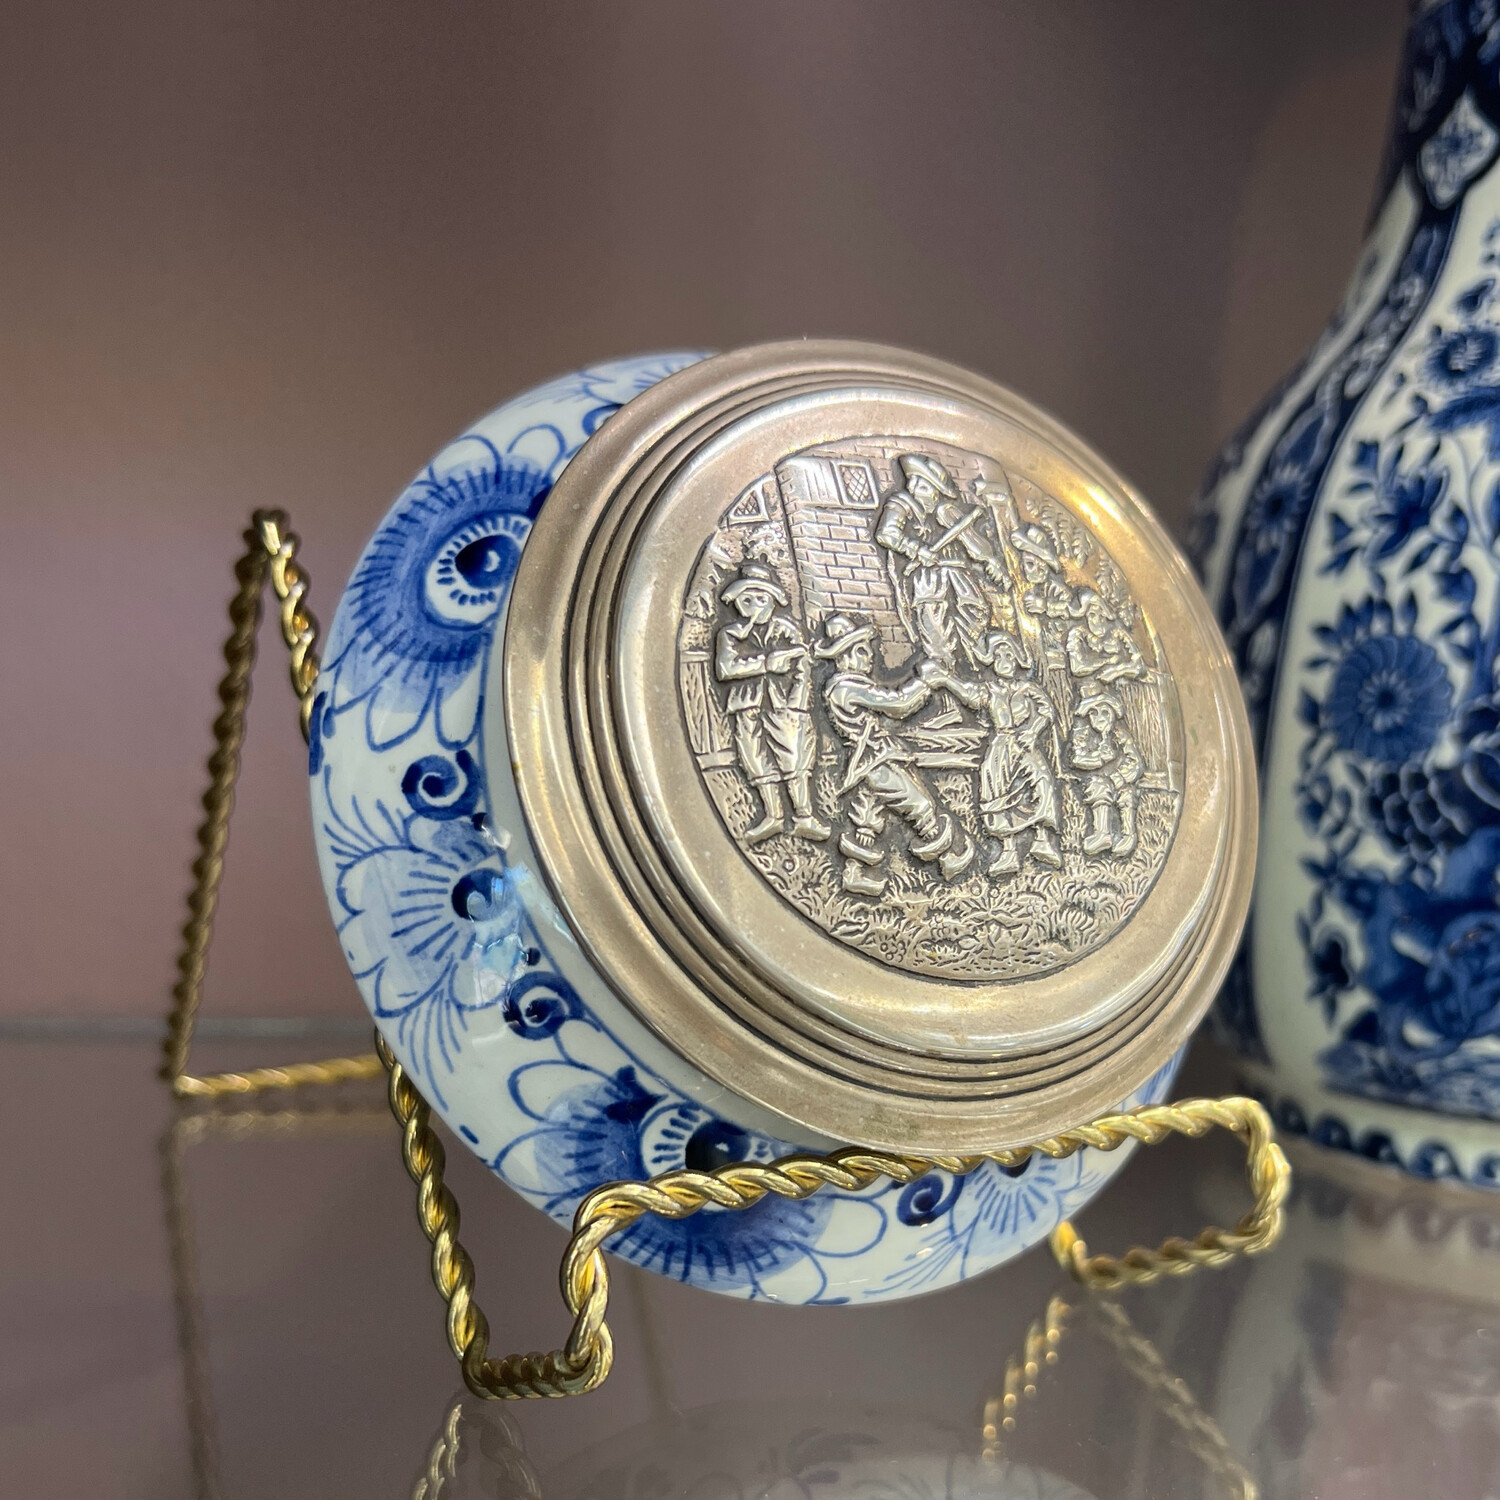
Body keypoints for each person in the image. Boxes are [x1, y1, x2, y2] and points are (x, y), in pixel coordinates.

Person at [815, 613, 973, 896]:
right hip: (875, 760)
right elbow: (897, 704)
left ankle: (853, 873)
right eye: (862, 650)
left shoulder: (843, 686)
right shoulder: (846, 688)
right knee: (919, 805)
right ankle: (948, 859)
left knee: (867, 817)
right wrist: (924, 682)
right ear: (845, 656)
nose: (870, 657)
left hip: (868, 760)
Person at [715, 560, 831, 845]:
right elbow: (726, 669)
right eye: (747, 600)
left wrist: (798, 703)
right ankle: (773, 816)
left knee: (793, 754)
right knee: (755, 757)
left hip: (784, 705)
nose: (754, 605)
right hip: (747, 704)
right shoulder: (729, 634)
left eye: (761, 599)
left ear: (772, 600)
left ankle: (804, 816)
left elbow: (802, 668)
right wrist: (766, 663)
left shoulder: (786, 630)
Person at [931, 631, 1062, 876]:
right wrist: (946, 679)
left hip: (1025, 744)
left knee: (1042, 782)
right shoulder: (990, 690)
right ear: (992, 661)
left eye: (1009, 656)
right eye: (999, 656)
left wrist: (1033, 731)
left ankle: (1042, 841)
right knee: (997, 792)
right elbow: (968, 694)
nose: (1004, 661)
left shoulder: (1027, 688)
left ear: (1017, 660)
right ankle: (1008, 851)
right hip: (1001, 746)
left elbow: (1046, 711)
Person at [875, 453, 1007, 671]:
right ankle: (944, 674)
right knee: (936, 630)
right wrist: (916, 550)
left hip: (960, 579)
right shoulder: (901, 505)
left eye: (923, 486)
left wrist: (991, 560)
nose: (914, 490)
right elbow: (886, 534)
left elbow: (971, 541)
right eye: (913, 483)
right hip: (929, 581)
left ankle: (970, 669)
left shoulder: (947, 511)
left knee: (976, 618)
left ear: (937, 492)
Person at [1069, 690, 1142, 857]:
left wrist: (1120, 776)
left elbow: (1135, 762)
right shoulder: (1083, 734)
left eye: (1105, 712)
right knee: (1098, 787)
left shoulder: (1120, 735)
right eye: (1094, 713)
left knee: (1127, 794)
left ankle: (1128, 835)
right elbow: (1077, 758)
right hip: (1097, 780)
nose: (1100, 718)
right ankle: (1102, 834)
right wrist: (1099, 758)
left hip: (1120, 779)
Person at [1065, 588, 1145, 685]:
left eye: (1101, 615)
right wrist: (1107, 661)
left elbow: (1140, 667)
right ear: (1085, 616)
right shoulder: (1077, 633)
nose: (1098, 620)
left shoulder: (1118, 633)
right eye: (1092, 615)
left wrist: (1116, 671)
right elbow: (1077, 668)